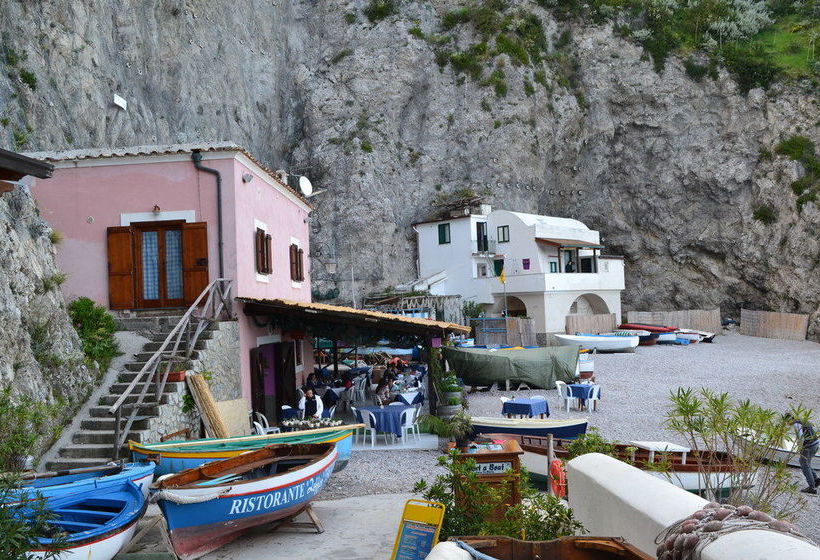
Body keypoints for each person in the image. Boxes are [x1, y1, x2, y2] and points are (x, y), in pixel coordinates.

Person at [785, 413, 819, 494]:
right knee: (806, 462)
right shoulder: (803, 421)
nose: (788, 424)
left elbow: (801, 438)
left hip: (809, 446)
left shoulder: (797, 425)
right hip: (816, 443)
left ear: (789, 420)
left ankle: (812, 487)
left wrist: (799, 448)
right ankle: (816, 479)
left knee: (804, 464)